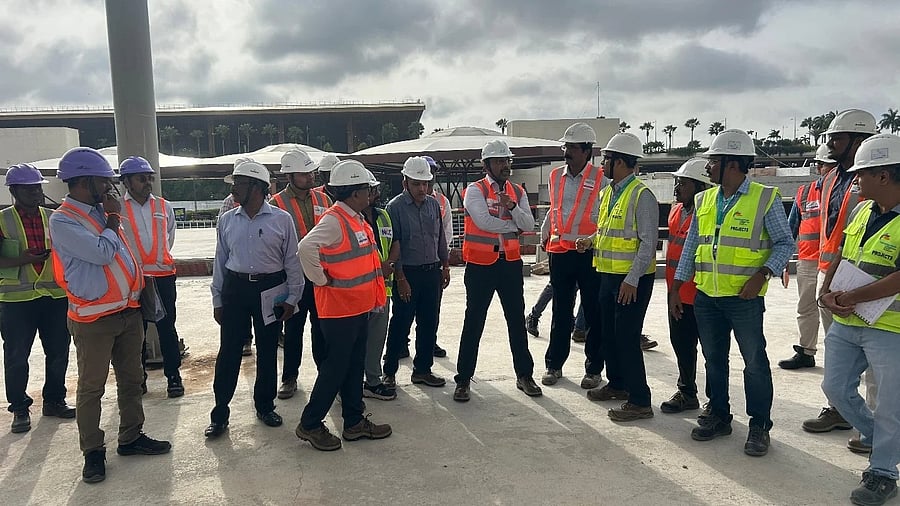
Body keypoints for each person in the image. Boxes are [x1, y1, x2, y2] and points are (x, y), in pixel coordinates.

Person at [49, 147, 171, 484]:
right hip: (94, 320)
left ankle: (131, 437)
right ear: (85, 182)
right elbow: (102, 254)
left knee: (133, 380)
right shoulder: (63, 220)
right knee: (92, 388)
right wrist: (114, 219)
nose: (109, 188)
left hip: (127, 313)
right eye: (103, 182)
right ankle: (93, 452)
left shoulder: (101, 213)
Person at [669, 129, 793, 456]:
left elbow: (784, 243)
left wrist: (763, 273)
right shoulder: (704, 199)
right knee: (714, 360)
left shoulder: (765, 198)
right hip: (707, 296)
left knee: (754, 362)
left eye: (713, 161)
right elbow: (693, 246)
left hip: (744, 299)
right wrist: (677, 287)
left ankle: (759, 425)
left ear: (732, 164)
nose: (707, 167)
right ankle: (719, 415)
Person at [818, 133, 900, 506]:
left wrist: (850, 296)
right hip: (848, 321)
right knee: (835, 388)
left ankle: (882, 472)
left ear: (884, 176)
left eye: (863, 174)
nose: (856, 180)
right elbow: (843, 254)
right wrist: (830, 289)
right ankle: (879, 437)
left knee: (890, 405)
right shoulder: (861, 210)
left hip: (889, 328)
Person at [296, 160, 391, 451]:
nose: (371, 194)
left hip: (356, 307)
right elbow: (305, 247)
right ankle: (310, 424)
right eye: (366, 189)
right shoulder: (335, 219)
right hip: (339, 310)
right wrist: (319, 279)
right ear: (353, 193)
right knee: (335, 369)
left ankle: (354, 421)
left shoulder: (356, 218)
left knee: (353, 367)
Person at [205, 161, 302, 438]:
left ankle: (265, 405)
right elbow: (221, 262)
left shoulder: (281, 220)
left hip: (270, 288)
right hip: (235, 289)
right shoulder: (227, 220)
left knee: (268, 349)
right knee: (229, 352)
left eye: (240, 184)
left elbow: (292, 262)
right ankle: (220, 412)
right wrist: (217, 300)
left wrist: (292, 297)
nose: (234, 190)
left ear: (258, 188)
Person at [799, 109, 878, 437]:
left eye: (837, 138)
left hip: (872, 279)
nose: (830, 143)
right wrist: (826, 281)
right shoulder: (831, 179)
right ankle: (840, 409)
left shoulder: (878, 178)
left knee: (876, 356)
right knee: (839, 349)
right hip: (832, 273)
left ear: (860, 140)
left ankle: (875, 426)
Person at [453, 139, 542, 402]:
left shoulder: (518, 192)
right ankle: (463, 379)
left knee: (516, 321)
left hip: (510, 264)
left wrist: (513, 209)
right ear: (487, 164)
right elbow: (483, 221)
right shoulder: (475, 190)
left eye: (507, 160)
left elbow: (529, 223)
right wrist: (512, 225)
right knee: (474, 322)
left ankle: (524, 375)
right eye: (500, 161)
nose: (505, 165)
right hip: (481, 266)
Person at [580, 133, 658, 422]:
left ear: (623, 162)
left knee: (627, 339)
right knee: (609, 336)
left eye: (608, 159)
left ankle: (640, 400)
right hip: (608, 277)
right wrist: (590, 241)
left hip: (631, 281)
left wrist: (632, 279)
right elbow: (607, 232)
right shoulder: (607, 193)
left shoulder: (642, 195)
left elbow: (648, 243)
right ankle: (617, 385)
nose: (602, 164)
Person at [0, 163, 74, 434]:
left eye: (37, 188)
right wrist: (23, 259)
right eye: (29, 189)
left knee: (58, 351)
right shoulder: (3, 220)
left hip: (54, 296)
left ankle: (54, 399)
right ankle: (19, 407)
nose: (35, 194)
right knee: (17, 356)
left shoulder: (54, 217)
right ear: (14, 191)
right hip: (16, 301)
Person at [540, 122, 606, 389]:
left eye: (572, 147)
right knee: (561, 312)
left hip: (589, 254)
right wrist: (544, 236)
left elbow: (607, 219)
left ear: (587, 151)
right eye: (565, 146)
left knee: (593, 313)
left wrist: (592, 240)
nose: (566, 151)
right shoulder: (555, 176)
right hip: (560, 254)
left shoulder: (603, 179)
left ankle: (593, 370)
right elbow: (553, 210)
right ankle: (554, 365)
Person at [117, 156, 183, 398]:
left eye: (149, 178)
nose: (147, 183)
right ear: (126, 182)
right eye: (141, 178)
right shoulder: (118, 209)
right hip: (133, 279)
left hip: (163, 276)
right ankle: (139, 378)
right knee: (136, 333)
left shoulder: (163, 206)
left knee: (167, 329)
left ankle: (174, 376)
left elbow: (169, 236)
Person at [382, 157, 450, 389]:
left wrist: (445, 266)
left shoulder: (433, 205)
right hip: (407, 274)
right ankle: (389, 371)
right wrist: (400, 279)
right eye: (416, 184)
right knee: (400, 324)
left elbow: (439, 238)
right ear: (405, 183)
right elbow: (394, 244)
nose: (422, 188)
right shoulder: (395, 208)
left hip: (432, 272)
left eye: (425, 183)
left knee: (429, 323)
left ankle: (422, 370)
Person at [270, 149, 331, 400]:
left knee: (322, 328)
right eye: (305, 173)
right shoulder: (276, 204)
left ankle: (325, 375)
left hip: (320, 275)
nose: (310, 176)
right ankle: (289, 377)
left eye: (311, 171)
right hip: (293, 278)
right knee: (293, 329)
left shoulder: (324, 200)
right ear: (290, 176)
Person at [660, 158, 712, 414]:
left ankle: (715, 400)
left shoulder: (709, 214)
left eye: (683, 182)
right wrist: (673, 292)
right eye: (677, 181)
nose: (677, 187)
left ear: (701, 186)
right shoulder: (675, 211)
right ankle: (687, 392)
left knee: (712, 351)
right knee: (682, 345)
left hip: (702, 293)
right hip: (677, 293)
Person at [778, 145, 836, 370]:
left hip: (834, 262)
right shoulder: (804, 193)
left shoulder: (848, 191)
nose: (828, 171)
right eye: (825, 166)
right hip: (808, 260)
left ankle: (838, 358)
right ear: (819, 167)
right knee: (806, 307)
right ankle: (806, 351)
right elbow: (791, 228)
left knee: (831, 311)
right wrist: (784, 260)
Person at [360, 169, 399, 400]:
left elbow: (395, 242)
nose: (375, 193)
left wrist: (390, 264)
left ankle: (372, 381)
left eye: (374, 189)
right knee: (354, 341)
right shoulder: (348, 219)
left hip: (382, 289)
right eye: (370, 189)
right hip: (357, 291)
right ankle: (349, 384)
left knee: (376, 339)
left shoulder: (383, 215)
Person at [219, 156, 254, 358]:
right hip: (237, 268)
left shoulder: (269, 206)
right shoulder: (228, 206)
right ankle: (246, 339)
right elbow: (222, 239)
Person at [424, 155, 450, 358]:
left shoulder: (442, 202)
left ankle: (430, 342)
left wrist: (443, 262)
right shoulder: (401, 203)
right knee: (405, 310)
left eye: (433, 171)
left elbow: (446, 233)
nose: (430, 175)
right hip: (410, 265)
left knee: (433, 308)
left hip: (434, 264)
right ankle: (403, 343)